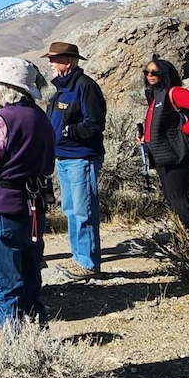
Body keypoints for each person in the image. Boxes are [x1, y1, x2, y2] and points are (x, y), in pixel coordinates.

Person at [0, 58, 56, 332]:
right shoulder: (40, 117)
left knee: (6, 289)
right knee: (30, 283)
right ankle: (39, 344)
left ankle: (15, 354)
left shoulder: (1, 120)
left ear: (4, 87)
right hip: (34, 206)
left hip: (1, 207)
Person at [45, 41, 107, 280]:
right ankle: (77, 257)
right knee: (71, 209)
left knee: (83, 211)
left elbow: (95, 123)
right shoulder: (62, 89)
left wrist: (68, 133)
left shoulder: (85, 87)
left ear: (68, 61)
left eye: (54, 59)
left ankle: (88, 263)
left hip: (82, 157)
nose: (50, 64)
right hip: (64, 157)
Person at [140, 57, 189, 233]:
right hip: (162, 154)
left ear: (165, 74)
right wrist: (146, 137)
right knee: (171, 197)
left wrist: (188, 130)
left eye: (155, 72)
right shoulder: (156, 96)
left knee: (178, 197)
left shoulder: (174, 93)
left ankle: (186, 240)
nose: (150, 76)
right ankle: (179, 236)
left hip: (176, 154)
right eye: (147, 72)